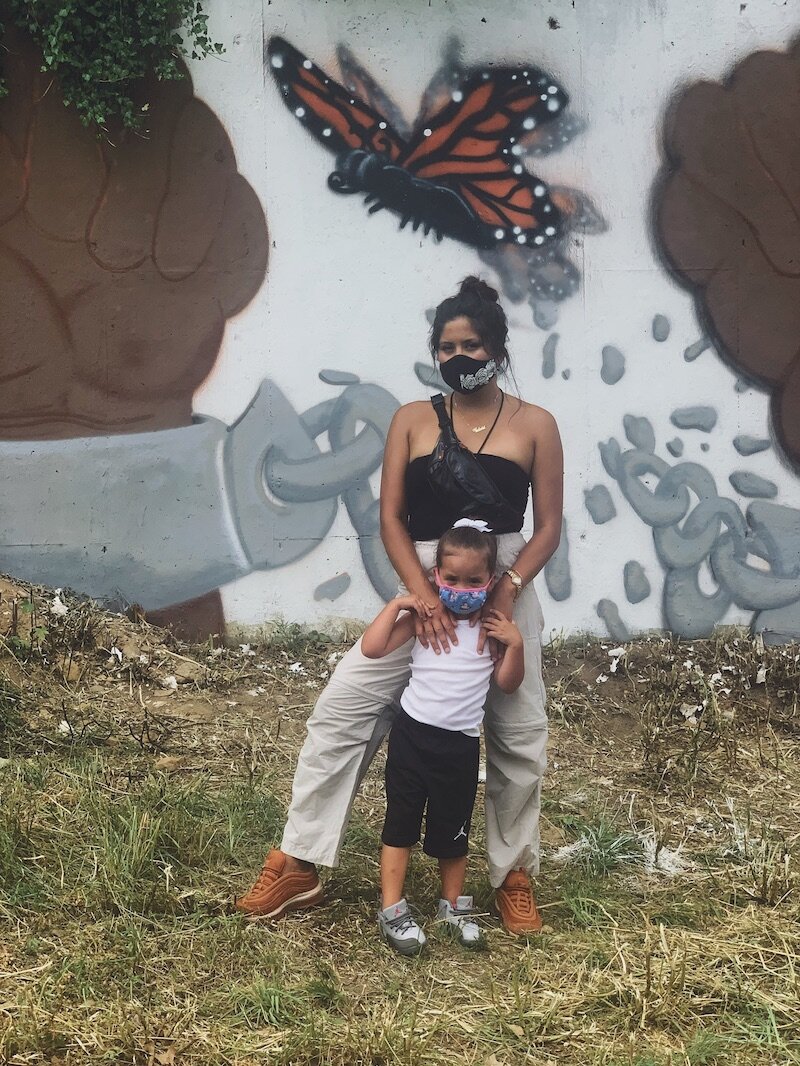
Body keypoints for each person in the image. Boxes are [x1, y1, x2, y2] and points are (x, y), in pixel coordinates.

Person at [236, 276, 564, 934]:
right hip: (424, 586)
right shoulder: (412, 420)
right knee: (344, 707)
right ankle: (301, 860)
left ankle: (513, 872)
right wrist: (420, 592)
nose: (458, 357)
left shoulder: (536, 425)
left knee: (518, 732)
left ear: (497, 346)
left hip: (505, 584)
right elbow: (390, 518)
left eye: (470, 344)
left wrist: (509, 585)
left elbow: (550, 525)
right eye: (446, 347)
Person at [361, 519, 524, 955]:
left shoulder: (491, 629)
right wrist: (399, 603)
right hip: (412, 739)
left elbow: (507, 684)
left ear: (490, 582)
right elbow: (372, 648)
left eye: (474, 581)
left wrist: (516, 645)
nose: (461, 588)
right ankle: (392, 908)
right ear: (436, 577)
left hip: (460, 747)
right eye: (451, 579)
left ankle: (453, 907)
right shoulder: (423, 621)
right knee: (400, 824)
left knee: (454, 832)